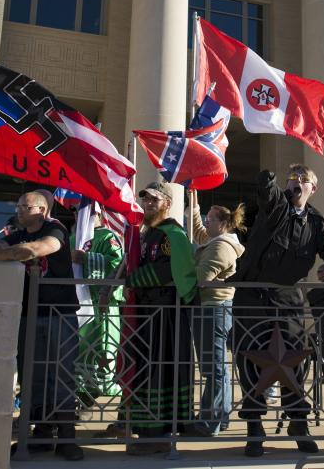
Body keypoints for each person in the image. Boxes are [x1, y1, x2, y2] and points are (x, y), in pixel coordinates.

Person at [230, 164, 324, 457]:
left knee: (294, 359)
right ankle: (254, 428)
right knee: (251, 360)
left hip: (288, 296)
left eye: (303, 179)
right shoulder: (278, 206)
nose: (296, 182)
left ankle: (298, 423)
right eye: (292, 178)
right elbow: (269, 198)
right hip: (253, 294)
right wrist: (267, 181)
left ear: (312, 188)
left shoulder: (316, 221)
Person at [0, 190, 84, 462]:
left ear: (41, 210)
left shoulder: (56, 230)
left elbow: (34, 250)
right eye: (18, 205)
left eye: (25, 206)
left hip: (58, 314)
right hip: (28, 314)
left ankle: (67, 438)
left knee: (62, 374)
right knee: (32, 377)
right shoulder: (17, 231)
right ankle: (39, 436)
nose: (19, 210)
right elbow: (3, 249)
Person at [123, 181, 197, 455]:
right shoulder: (147, 234)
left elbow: (170, 270)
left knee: (160, 370)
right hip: (148, 313)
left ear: (167, 203)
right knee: (146, 369)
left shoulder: (172, 234)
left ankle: (159, 433)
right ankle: (147, 431)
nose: (148, 204)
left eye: (154, 200)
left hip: (166, 315)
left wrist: (133, 278)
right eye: (146, 200)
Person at [188, 195, 246, 436]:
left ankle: (210, 421)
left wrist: (181, 270)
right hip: (212, 309)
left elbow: (201, 277)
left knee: (214, 367)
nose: (205, 222)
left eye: (209, 219)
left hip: (214, 308)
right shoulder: (216, 240)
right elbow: (199, 231)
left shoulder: (221, 246)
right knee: (216, 365)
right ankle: (219, 418)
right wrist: (194, 202)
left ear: (222, 223)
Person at [70, 210, 124, 399]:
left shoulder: (108, 236)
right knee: (77, 344)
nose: (81, 216)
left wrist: (86, 258)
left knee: (103, 341)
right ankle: (80, 385)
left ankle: (103, 383)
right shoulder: (72, 238)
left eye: (88, 213)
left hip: (101, 300)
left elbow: (117, 264)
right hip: (76, 301)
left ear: (99, 215)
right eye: (78, 213)